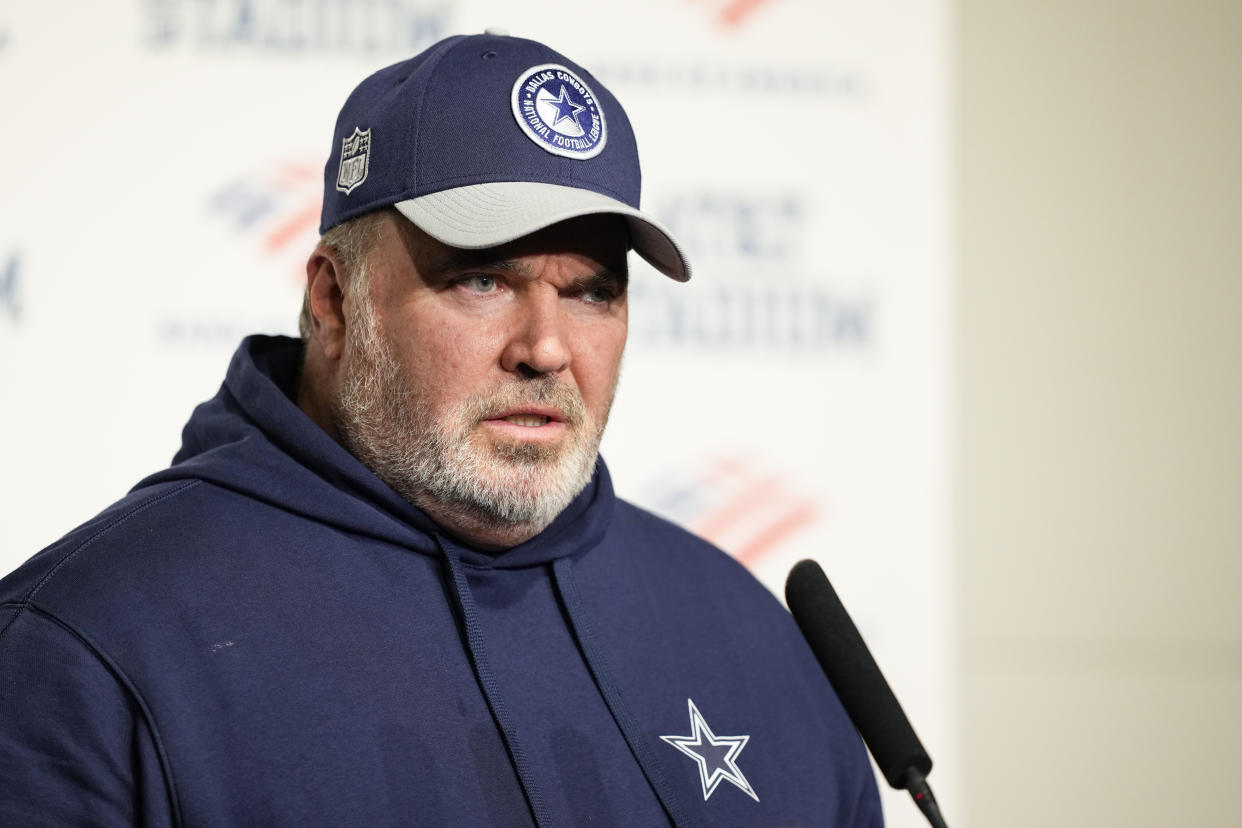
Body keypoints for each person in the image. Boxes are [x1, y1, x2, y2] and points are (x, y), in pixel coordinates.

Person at [0, 32, 882, 826]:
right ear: (335, 301)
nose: (546, 348)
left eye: (591, 292)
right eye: (482, 281)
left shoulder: (751, 637)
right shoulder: (82, 649)